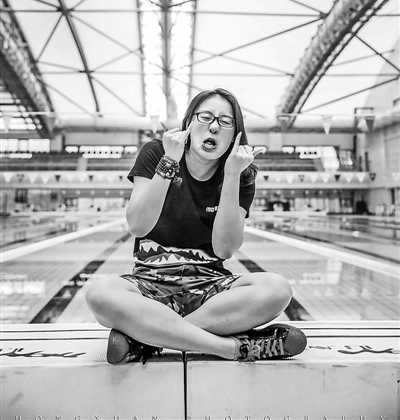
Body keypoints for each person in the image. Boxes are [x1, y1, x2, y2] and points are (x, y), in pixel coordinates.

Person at [86, 88, 306, 363]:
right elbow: (138, 226)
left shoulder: (241, 174)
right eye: (205, 117)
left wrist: (232, 175)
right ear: (189, 123)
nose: (214, 126)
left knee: (278, 289)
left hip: (211, 290)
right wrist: (169, 161)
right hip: (149, 285)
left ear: (235, 135)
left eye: (225, 121)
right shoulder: (157, 152)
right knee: (100, 294)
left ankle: (145, 338)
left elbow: (224, 249)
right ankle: (231, 348)